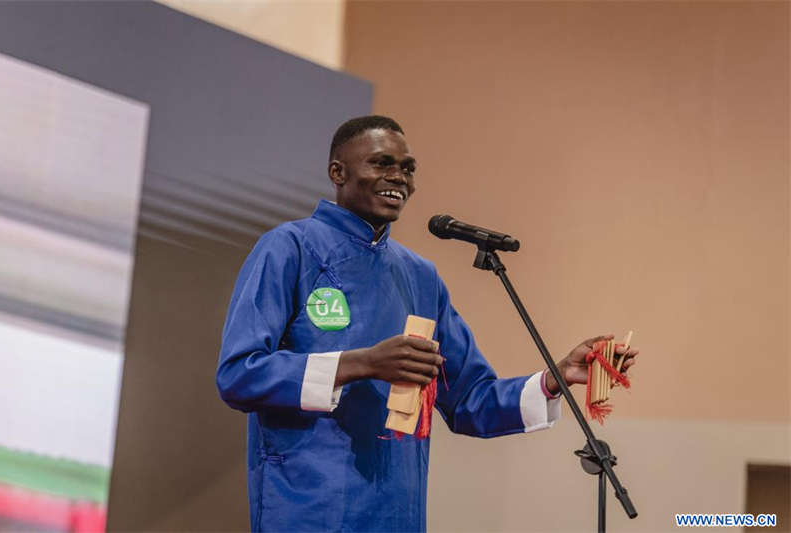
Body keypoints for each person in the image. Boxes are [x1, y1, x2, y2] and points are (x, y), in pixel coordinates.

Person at [217, 116, 638, 533]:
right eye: (382, 164)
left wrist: (556, 378)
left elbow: (471, 401)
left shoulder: (420, 275)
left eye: (408, 168)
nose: (399, 178)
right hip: (308, 504)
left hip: (398, 508)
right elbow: (238, 375)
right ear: (338, 172)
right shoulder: (289, 247)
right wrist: (360, 363)